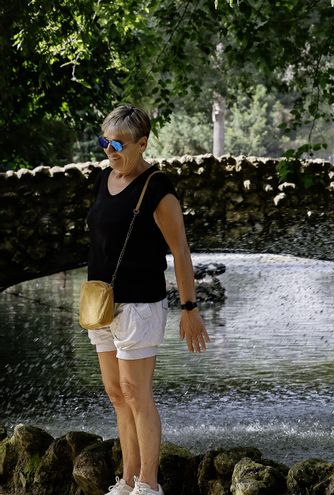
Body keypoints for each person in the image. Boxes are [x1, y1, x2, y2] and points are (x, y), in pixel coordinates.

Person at [86, 104, 209, 495]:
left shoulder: (158, 187)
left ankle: (149, 484)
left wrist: (189, 308)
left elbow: (181, 252)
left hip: (139, 304)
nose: (110, 149)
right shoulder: (104, 179)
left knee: (137, 394)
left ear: (143, 143)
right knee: (116, 393)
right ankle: (126, 479)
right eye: (105, 141)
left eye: (118, 143)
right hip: (101, 303)